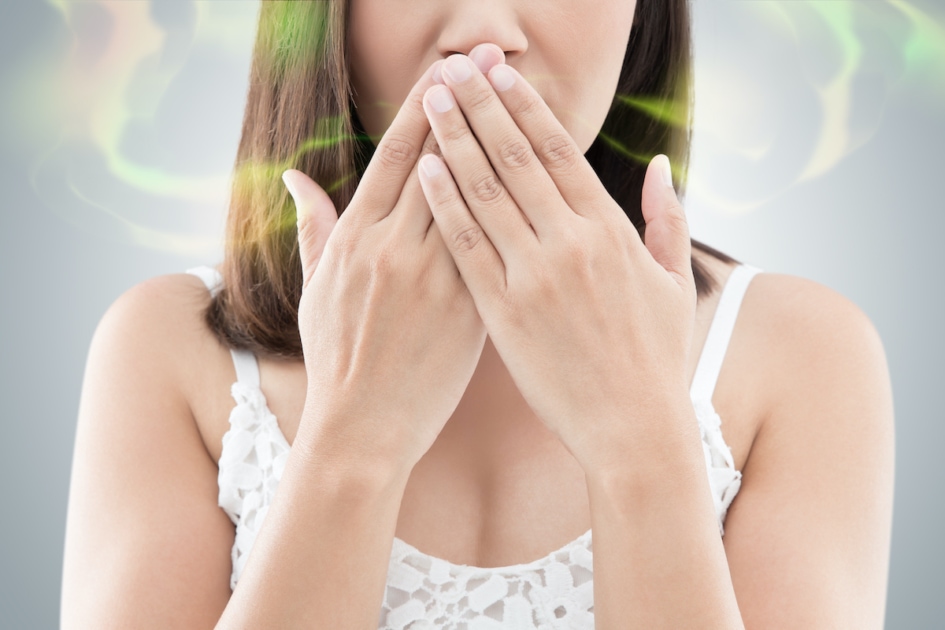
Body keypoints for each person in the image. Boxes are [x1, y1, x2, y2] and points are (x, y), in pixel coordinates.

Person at [60, 1, 895, 628]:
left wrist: (637, 440)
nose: (488, 32)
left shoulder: (802, 354)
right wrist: (354, 444)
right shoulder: (166, 349)